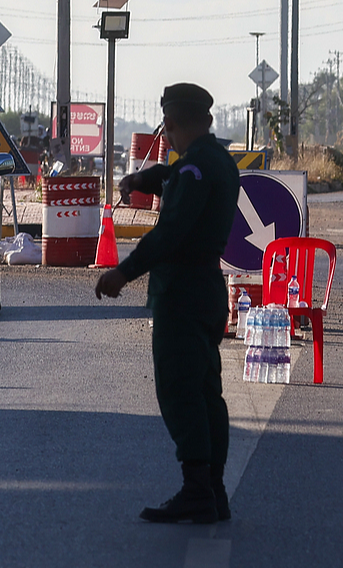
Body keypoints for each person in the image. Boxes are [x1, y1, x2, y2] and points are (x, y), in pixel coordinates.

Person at [95, 83, 242, 523]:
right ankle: (212, 489)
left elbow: (170, 232)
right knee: (206, 394)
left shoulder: (195, 169)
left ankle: (197, 488)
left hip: (182, 295)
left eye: (168, 129)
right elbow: (178, 177)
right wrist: (145, 178)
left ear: (171, 123)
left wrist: (123, 272)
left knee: (181, 393)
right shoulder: (217, 162)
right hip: (207, 292)